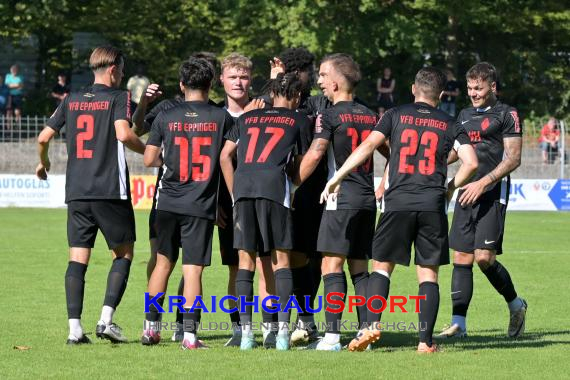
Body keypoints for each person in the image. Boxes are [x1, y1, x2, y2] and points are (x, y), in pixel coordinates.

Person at [322, 67, 478, 353]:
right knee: (428, 274)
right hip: (432, 204)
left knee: (381, 268)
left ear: (413, 89)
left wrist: (338, 176)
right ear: (441, 95)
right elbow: (471, 162)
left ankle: (370, 327)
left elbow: (368, 146)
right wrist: (450, 187)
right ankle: (424, 343)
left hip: (398, 203)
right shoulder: (450, 122)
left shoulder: (394, 115)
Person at [35, 46, 146, 345]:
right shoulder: (118, 97)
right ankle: (106, 321)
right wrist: (152, 153)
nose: (122, 75)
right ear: (113, 70)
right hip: (110, 190)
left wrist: (44, 163)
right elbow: (124, 134)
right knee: (123, 254)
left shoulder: (71, 99)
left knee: (77, 258)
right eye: (121, 70)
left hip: (77, 192)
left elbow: (43, 137)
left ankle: (74, 329)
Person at [142, 57, 234, 350]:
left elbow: (148, 159)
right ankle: (190, 337)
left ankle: (150, 329)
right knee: (192, 270)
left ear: (182, 85)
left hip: (167, 201)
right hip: (200, 204)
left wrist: (170, 163)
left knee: (162, 265)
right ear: (211, 84)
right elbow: (227, 159)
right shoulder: (224, 118)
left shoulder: (166, 116)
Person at [220, 72, 312, 351]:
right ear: (296, 96)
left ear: (272, 94)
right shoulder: (299, 119)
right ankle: (282, 333)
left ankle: (247, 335)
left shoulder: (245, 118)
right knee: (280, 261)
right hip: (274, 188)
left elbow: (225, 155)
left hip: (244, 188)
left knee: (245, 262)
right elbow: (299, 164)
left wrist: (235, 193)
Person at [438, 62, 527, 340]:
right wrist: (434, 165)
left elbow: (513, 157)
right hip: (466, 192)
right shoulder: (463, 114)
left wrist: (483, 181)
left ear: (493, 87)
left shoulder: (507, 113)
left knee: (484, 258)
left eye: (478, 88)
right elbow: (456, 151)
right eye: (469, 88)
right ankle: (458, 325)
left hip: (492, 192)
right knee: (461, 257)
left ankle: (516, 305)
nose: (473, 93)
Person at [296, 53, 378, 351]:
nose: (318, 81)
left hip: (340, 198)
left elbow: (317, 153)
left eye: (322, 75)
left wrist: (292, 186)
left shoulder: (329, 115)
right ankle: (365, 334)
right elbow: (393, 155)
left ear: (335, 81)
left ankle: (331, 338)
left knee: (331, 265)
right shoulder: (371, 115)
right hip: (367, 200)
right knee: (360, 268)